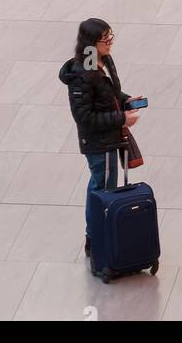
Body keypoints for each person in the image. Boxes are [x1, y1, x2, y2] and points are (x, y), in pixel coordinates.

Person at [58, 18, 143, 264]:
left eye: (110, 37)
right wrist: (121, 119)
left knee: (104, 186)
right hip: (97, 142)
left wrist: (126, 100)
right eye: (105, 40)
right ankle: (94, 237)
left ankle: (100, 234)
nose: (110, 43)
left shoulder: (104, 61)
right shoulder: (83, 75)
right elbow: (83, 116)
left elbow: (110, 93)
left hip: (110, 137)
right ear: (90, 43)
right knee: (101, 188)